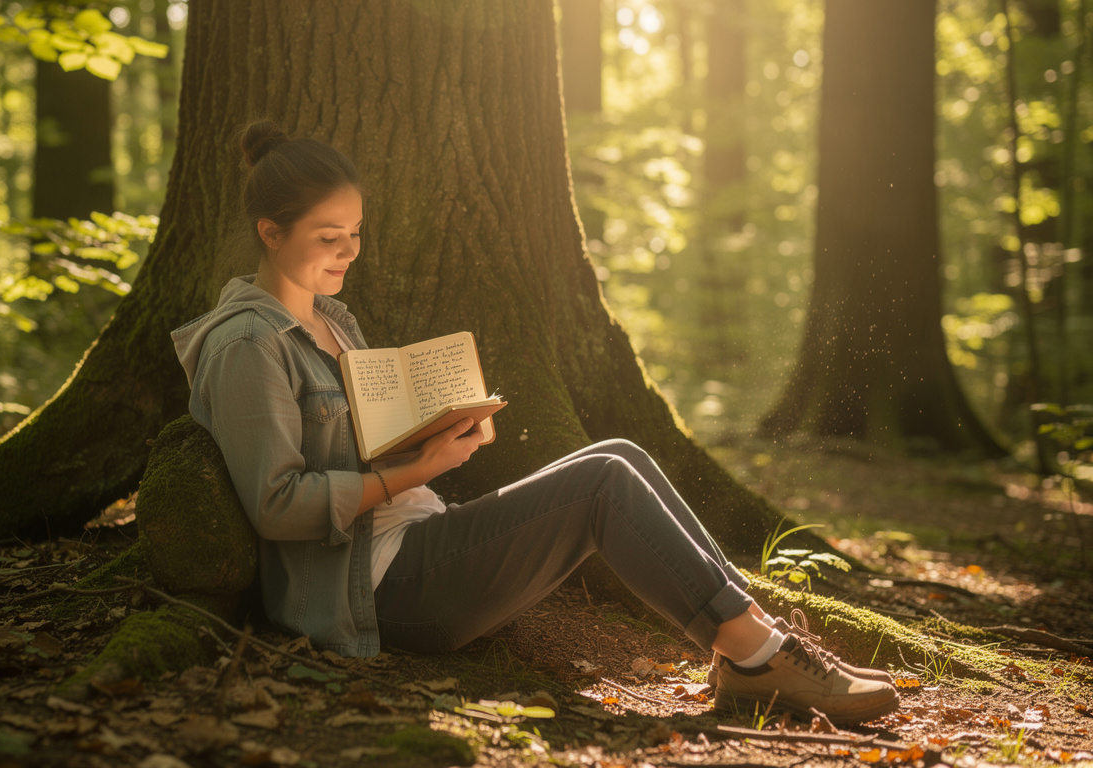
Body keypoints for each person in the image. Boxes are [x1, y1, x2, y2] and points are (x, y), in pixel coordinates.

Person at [170, 121, 899, 726]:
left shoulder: (330, 319)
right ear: (270, 232)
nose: (350, 252)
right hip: (376, 590)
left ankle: (755, 641)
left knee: (620, 450)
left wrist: (425, 432)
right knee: (603, 481)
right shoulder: (247, 346)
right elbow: (275, 505)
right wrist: (419, 467)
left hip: (415, 540)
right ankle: (759, 659)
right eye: (329, 235)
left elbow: (353, 448)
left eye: (357, 232)